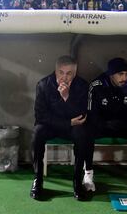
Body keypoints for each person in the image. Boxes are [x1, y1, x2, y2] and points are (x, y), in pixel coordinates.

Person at [83, 58, 127, 192]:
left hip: (123, 125)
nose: (124, 78)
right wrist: (106, 123)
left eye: (126, 74)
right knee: (86, 129)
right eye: (120, 74)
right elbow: (91, 113)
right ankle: (88, 173)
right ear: (110, 74)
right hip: (102, 125)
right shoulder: (96, 86)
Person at [30, 55, 89, 201]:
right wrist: (67, 122)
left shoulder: (82, 85)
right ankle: (38, 180)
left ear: (75, 73)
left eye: (69, 73)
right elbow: (40, 116)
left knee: (82, 134)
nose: (65, 77)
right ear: (56, 71)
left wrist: (66, 97)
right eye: (61, 72)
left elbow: (81, 116)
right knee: (37, 133)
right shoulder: (43, 85)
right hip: (52, 126)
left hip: (73, 127)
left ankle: (77, 181)